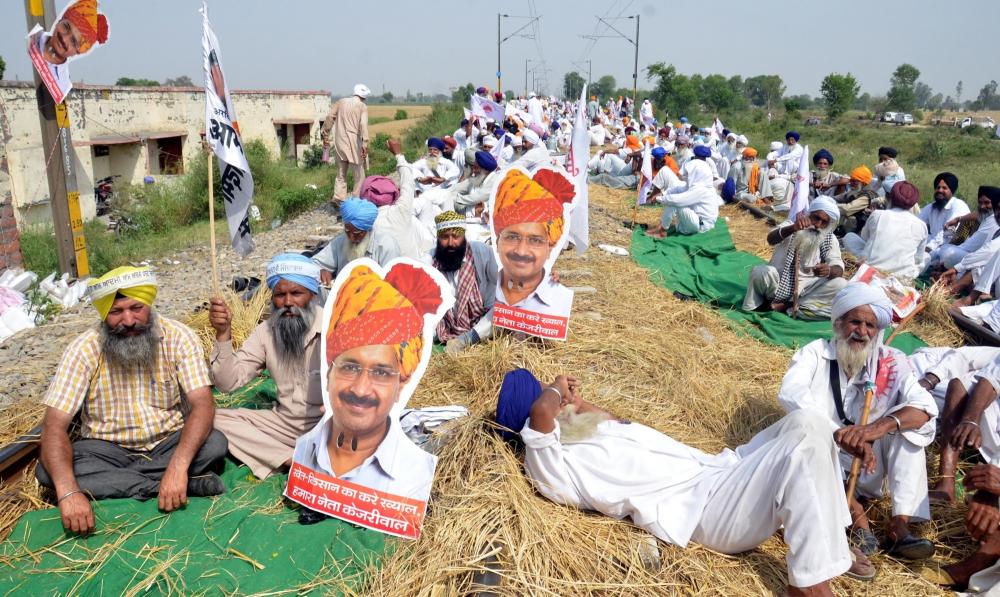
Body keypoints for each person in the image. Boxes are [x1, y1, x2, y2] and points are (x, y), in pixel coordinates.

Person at [497, 369, 874, 595]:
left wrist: (575, 401)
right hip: (706, 511)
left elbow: (612, 419)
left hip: (717, 471)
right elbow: (542, 412)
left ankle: (831, 539)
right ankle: (807, 582)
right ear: (529, 424)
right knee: (804, 446)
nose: (564, 404)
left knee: (807, 422)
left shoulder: (578, 430)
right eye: (557, 402)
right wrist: (555, 387)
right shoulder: (548, 461)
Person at [36, 267, 227, 535]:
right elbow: (54, 425)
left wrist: (179, 464)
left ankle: (129, 483)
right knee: (48, 472)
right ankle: (171, 485)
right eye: (116, 312)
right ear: (104, 314)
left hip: (167, 442)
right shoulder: (83, 349)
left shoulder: (179, 337)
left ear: (149, 304)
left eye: (136, 308)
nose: (128, 320)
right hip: (107, 450)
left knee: (215, 443)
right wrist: (68, 493)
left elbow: (203, 404)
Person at [778, 283, 938, 561]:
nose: (862, 332)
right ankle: (857, 518)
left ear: (878, 331)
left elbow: (925, 406)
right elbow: (790, 393)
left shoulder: (892, 362)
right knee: (804, 431)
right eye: (855, 322)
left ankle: (899, 527)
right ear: (839, 323)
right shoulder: (815, 353)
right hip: (821, 457)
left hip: (870, 464)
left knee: (910, 427)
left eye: (870, 326)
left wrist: (875, 429)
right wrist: (840, 435)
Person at [292, 261, 441, 523]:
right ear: (329, 375)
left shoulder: (410, 476)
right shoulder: (305, 452)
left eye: (381, 373)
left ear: (401, 386)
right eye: (349, 368)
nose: (360, 390)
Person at [209, 254, 324, 479]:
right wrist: (223, 334)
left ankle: (292, 457)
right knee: (210, 418)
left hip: (329, 428)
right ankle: (291, 460)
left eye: (297, 293)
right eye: (280, 295)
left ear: (313, 295)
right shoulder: (267, 331)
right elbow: (227, 383)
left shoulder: (334, 327)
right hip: (284, 425)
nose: (288, 302)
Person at [743, 197, 848, 320]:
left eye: (824, 222)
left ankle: (786, 306)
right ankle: (760, 307)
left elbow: (839, 268)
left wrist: (828, 270)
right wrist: (793, 228)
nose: (818, 225)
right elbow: (771, 239)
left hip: (806, 292)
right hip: (776, 285)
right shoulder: (791, 224)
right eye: (816, 218)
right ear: (809, 214)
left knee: (841, 284)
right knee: (760, 272)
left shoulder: (828, 238)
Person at [492, 169, 575, 318]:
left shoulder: (556, 302)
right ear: (498, 241)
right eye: (512, 237)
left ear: (550, 248)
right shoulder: (483, 288)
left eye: (535, 240)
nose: (521, 251)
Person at [431, 211, 497, 353]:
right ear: (437, 238)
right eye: (444, 237)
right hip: (446, 324)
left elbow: (507, 283)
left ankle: (468, 338)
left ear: (463, 236)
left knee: (503, 309)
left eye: (455, 236)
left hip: (482, 320)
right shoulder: (429, 260)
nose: (450, 243)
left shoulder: (482, 252)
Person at [359, 138, 430, 261]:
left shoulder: (366, 223)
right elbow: (408, 182)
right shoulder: (402, 210)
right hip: (415, 268)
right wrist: (398, 154)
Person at [842, 181, 928, 280]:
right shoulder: (921, 225)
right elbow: (918, 259)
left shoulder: (878, 214)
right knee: (927, 257)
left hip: (871, 268)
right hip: (903, 276)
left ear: (890, 198)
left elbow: (865, 238)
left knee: (850, 237)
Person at [311, 198, 401, 283]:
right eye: (347, 231)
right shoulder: (341, 240)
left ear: (367, 229)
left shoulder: (386, 245)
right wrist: (320, 271)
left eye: (357, 233)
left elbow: (392, 282)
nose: (351, 238)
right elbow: (312, 264)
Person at [644, 145, 720, 238]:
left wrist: (660, 199)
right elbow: (681, 188)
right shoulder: (698, 181)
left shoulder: (702, 188)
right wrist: (663, 194)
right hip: (694, 218)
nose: (689, 174)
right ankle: (661, 228)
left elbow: (679, 200)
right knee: (674, 197)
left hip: (701, 225)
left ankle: (662, 230)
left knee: (675, 201)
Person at [321, 84, 370, 205]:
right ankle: (355, 199)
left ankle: (338, 198)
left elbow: (329, 117)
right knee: (359, 173)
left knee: (341, 172)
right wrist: (365, 143)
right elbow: (363, 125)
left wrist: (325, 133)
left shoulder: (341, 102)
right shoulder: (362, 106)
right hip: (354, 142)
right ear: (364, 96)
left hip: (340, 141)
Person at [934, 188, 1000, 270]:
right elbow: (976, 215)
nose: (982, 206)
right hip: (967, 252)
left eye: (987, 203)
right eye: (980, 202)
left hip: (978, 259)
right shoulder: (987, 215)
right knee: (945, 249)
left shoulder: (994, 220)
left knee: (947, 251)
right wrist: (959, 219)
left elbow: (981, 249)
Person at [919, 172, 969, 256]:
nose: (940, 190)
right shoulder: (931, 207)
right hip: (934, 246)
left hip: (951, 248)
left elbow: (945, 236)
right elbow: (917, 224)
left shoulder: (958, 205)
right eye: (938, 187)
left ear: (951, 191)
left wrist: (928, 249)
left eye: (944, 188)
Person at [452, 151, 501, 217]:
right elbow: (455, 188)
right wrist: (446, 195)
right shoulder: (477, 178)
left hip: (484, 221)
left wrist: (454, 198)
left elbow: (477, 198)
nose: (473, 171)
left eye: (476, 168)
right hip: (468, 216)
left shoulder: (494, 180)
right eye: (473, 168)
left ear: (484, 169)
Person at [833, 166, 878, 235]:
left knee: (850, 218)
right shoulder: (855, 190)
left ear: (863, 182)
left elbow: (847, 209)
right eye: (851, 180)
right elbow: (836, 198)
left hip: (860, 229)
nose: (851, 183)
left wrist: (831, 206)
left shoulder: (866, 196)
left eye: (855, 181)